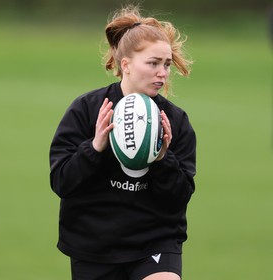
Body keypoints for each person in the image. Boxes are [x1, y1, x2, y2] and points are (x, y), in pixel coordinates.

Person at [49, 5, 196, 280]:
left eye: (166, 64)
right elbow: (61, 182)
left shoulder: (175, 122)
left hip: (155, 241)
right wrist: (94, 148)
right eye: (153, 63)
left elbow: (179, 199)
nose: (162, 73)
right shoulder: (87, 110)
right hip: (93, 246)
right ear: (125, 64)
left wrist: (163, 158)